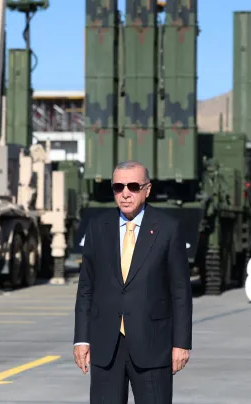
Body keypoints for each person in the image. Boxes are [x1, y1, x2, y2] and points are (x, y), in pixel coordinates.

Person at [73, 160, 193, 403]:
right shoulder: (98, 227)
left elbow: (180, 291)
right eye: (118, 187)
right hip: (106, 346)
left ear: (147, 190)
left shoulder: (168, 228)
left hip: (153, 344)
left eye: (133, 186)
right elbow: (86, 287)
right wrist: (82, 339)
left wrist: (181, 344)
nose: (125, 193)